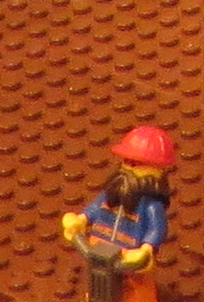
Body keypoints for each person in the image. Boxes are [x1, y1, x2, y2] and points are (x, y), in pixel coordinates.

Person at [60, 125, 175, 295]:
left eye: (136, 164)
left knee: (136, 289)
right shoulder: (111, 195)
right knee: (97, 284)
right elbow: (95, 209)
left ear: (157, 170)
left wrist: (146, 249)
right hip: (98, 249)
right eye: (126, 162)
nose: (129, 168)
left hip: (129, 256)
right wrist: (81, 220)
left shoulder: (150, 206)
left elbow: (156, 229)